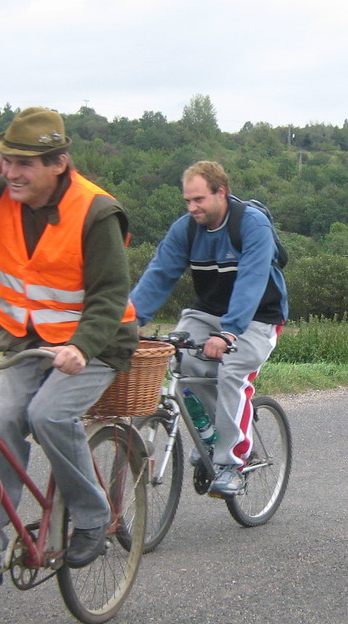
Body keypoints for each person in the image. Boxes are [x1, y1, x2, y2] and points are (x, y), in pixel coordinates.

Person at [0, 107, 138, 579]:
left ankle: (91, 515)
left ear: (58, 163)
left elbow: (108, 294)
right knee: (1, 422)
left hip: (95, 345)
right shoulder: (5, 198)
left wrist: (81, 347)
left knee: (47, 415)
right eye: (6, 160)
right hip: (27, 342)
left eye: (24, 163)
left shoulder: (96, 210)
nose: (12, 172)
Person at [130, 161, 288, 498]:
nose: (192, 208)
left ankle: (233, 463)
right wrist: (130, 320)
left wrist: (228, 333)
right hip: (208, 313)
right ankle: (215, 432)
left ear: (222, 193)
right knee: (180, 362)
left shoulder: (251, 224)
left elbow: (252, 281)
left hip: (259, 316)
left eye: (199, 199)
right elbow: (159, 273)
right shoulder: (186, 229)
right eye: (187, 201)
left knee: (232, 373)